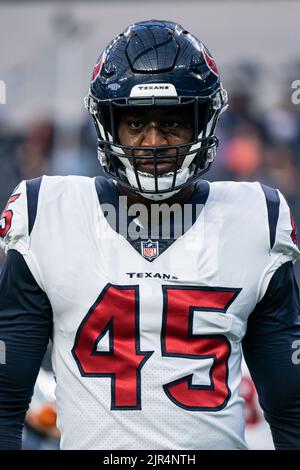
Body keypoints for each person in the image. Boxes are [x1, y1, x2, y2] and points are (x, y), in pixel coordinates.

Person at [0, 19, 300, 451]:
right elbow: (7, 399)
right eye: (136, 123)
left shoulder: (256, 218)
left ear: (203, 124)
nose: (153, 142)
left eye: (172, 123)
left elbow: (290, 408)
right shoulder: (47, 212)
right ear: (108, 126)